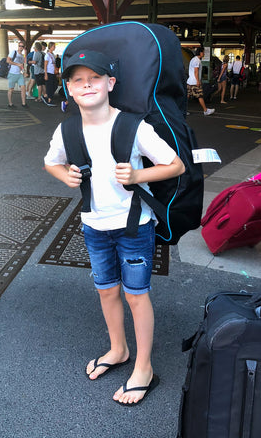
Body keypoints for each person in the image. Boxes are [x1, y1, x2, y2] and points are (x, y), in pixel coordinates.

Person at [44, 50, 185, 406]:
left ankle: (144, 368)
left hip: (134, 225)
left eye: (94, 78)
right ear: (69, 90)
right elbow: (51, 163)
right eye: (78, 79)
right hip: (94, 224)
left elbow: (175, 165)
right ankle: (118, 349)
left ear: (111, 84)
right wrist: (67, 176)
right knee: (106, 291)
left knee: (137, 296)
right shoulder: (67, 130)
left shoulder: (134, 126)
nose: (86, 84)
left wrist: (139, 175)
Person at [187, 46, 215, 116]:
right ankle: (205, 110)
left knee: (187, 96)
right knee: (200, 96)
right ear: (200, 52)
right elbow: (196, 71)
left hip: (190, 81)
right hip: (194, 82)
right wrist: (198, 81)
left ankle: (183, 110)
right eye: (203, 52)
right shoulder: (197, 61)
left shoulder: (193, 59)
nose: (204, 53)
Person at [6, 41, 27, 108]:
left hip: (19, 74)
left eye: (22, 46)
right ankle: (10, 103)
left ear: (24, 47)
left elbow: (21, 66)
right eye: (19, 46)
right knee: (11, 89)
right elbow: (8, 60)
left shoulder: (22, 56)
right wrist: (17, 64)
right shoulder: (14, 52)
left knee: (23, 87)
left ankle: (24, 103)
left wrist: (23, 72)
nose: (20, 47)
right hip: (12, 73)